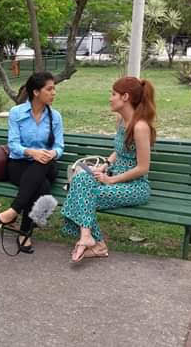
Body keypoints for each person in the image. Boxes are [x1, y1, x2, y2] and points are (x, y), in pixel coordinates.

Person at [61, 76, 156, 262]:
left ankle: (96, 243)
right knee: (80, 180)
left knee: (81, 195)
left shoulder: (140, 127)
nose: (110, 98)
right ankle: (88, 237)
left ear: (125, 97)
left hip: (135, 187)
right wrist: (105, 165)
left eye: (113, 94)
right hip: (113, 178)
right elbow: (119, 151)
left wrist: (111, 179)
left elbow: (143, 168)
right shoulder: (122, 121)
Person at [0, 72, 64, 253]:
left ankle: (13, 211)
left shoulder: (55, 117)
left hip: (46, 165)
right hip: (19, 165)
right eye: (49, 89)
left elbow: (59, 147)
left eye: (54, 89)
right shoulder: (17, 113)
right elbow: (13, 145)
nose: (54, 93)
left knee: (42, 163)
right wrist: (31, 152)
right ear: (36, 92)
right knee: (41, 186)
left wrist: (51, 153)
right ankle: (24, 234)